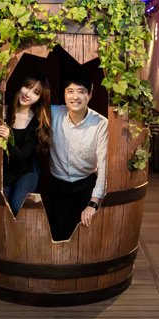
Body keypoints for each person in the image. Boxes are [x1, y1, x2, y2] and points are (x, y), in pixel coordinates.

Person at [48, 73, 108, 241]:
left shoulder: (101, 124)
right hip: (58, 186)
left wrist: (93, 202)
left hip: (86, 185)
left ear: (90, 94)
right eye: (70, 91)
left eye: (81, 91)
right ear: (64, 94)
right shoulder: (52, 113)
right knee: (59, 236)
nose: (75, 97)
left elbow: (104, 165)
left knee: (88, 236)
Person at [0, 73, 51, 216]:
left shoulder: (37, 123)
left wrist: (8, 140)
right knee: (2, 207)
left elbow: (22, 157)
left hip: (26, 168)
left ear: (40, 98)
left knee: (16, 207)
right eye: (27, 87)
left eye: (36, 92)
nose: (28, 94)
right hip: (5, 167)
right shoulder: (3, 110)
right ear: (21, 86)